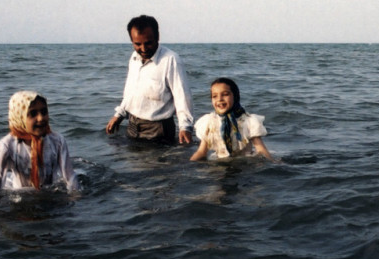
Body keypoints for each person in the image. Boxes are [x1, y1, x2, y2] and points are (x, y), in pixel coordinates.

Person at [105, 15, 194, 144]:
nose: (143, 49)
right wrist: (119, 114)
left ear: (158, 37)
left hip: (158, 130)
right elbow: (131, 92)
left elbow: (182, 98)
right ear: (132, 41)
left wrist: (185, 128)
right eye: (137, 44)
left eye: (148, 43)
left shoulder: (170, 60)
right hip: (133, 125)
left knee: (155, 164)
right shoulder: (134, 58)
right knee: (133, 163)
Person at [0, 91, 80, 202]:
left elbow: (70, 176)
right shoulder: (6, 146)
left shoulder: (57, 141)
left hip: (49, 193)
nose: (41, 118)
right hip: (20, 196)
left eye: (44, 112)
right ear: (19, 117)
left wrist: (75, 196)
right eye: (33, 114)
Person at [190, 78, 274, 161]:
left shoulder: (248, 121)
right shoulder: (209, 122)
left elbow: (261, 150)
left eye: (225, 94)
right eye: (214, 96)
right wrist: (190, 166)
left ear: (235, 96)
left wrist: (273, 163)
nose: (219, 99)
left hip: (244, 166)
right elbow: (201, 152)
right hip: (219, 165)